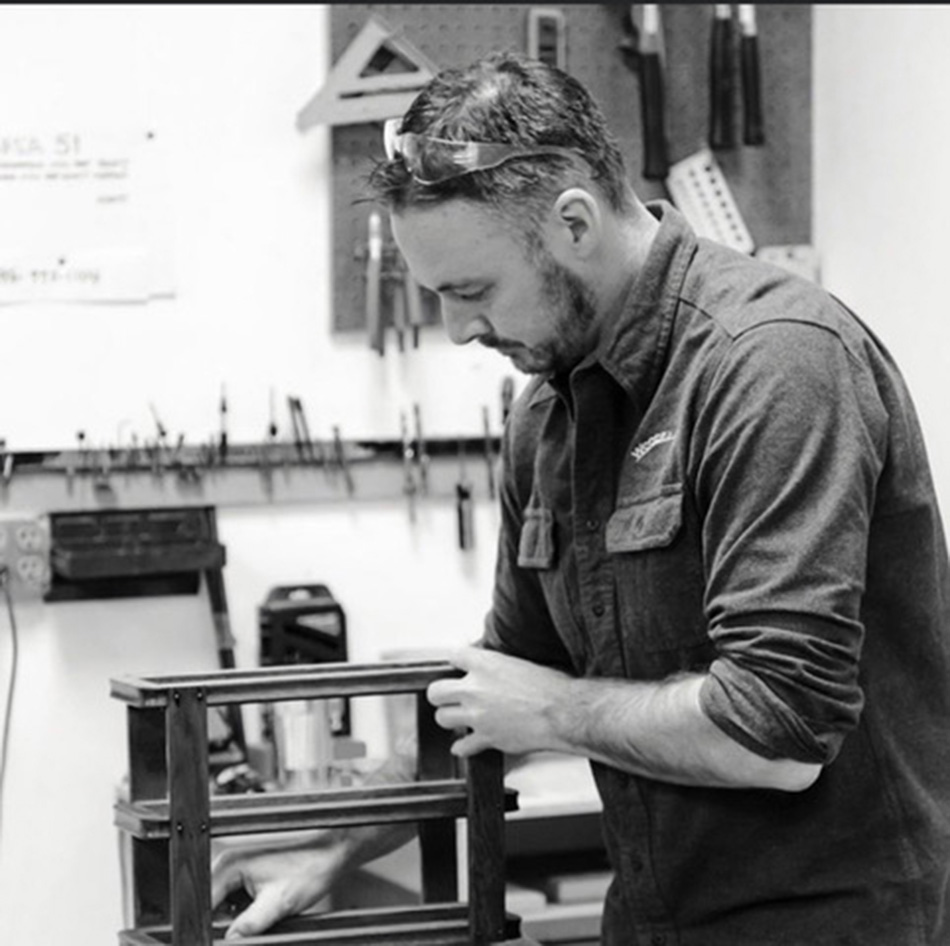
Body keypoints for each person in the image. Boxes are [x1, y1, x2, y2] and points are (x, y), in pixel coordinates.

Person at [213, 52, 950, 944]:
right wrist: (334, 847)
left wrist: (558, 712)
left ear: (573, 223)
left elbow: (780, 730)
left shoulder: (774, 363)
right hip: (651, 918)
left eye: (472, 291)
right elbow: (500, 690)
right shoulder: (549, 416)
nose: (458, 331)